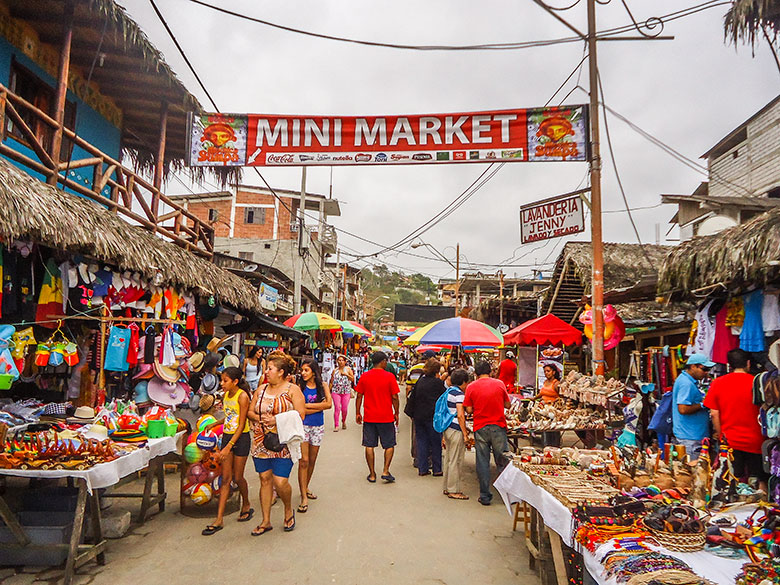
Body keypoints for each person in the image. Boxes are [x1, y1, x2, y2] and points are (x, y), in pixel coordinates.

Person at [247, 352, 306, 536]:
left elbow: (300, 414)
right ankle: (266, 520)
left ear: (281, 372)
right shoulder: (261, 389)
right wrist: (260, 419)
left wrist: (277, 421)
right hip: (260, 441)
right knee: (264, 480)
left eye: (270, 368)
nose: (266, 371)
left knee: (280, 482)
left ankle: (288, 509)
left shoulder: (292, 390)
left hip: (283, 442)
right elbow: (250, 411)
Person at [703, 348, 767, 489]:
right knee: (759, 480)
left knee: (731, 480)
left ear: (730, 365)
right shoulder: (756, 383)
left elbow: (714, 413)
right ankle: (764, 507)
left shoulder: (718, 383)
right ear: (748, 363)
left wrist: (721, 435)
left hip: (730, 440)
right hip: (756, 440)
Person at [201, 366, 253, 536]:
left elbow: (241, 423)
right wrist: (215, 424)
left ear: (235, 382)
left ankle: (246, 504)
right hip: (228, 436)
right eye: (221, 380)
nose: (222, 384)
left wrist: (228, 446)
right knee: (226, 479)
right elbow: (230, 416)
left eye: (225, 381)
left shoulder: (243, 396)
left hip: (241, 438)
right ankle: (219, 519)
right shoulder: (226, 396)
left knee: (238, 478)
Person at [464, 360, 510, 505]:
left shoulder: (471, 386)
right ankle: (508, 495)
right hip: (498, 425)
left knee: (482, 461)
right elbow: (507, 404)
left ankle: (485, 495)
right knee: (502, 460)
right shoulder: (499, 384)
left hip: (480, 426)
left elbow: (469, 409)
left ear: (476, 374)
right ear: (490, 372)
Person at [356, 351, 400, 483]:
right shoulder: (390, 377)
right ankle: (385, 470)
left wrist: (358, 412)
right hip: (386, 416)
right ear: (382, 362)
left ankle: (372, 474)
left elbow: (359, 395)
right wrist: (396, 412)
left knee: (369, 445)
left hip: (369, 416)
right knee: (389, 444)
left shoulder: (365, 376)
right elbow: (395, 397)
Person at [297, 357, 332, 513]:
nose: (303, 373)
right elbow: (298, 408)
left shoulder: (323, 386)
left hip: (317, 426)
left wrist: (307, 406)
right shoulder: (299, 387)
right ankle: (304, 496)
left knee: (312, 460)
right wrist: (319, 406)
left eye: (306, 370)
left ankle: (305, 487)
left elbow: (329, 404)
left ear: (313, 372)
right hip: (302, 425)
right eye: (302, 370)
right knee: (303, 461)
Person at [672, 353, 714, 461]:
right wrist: (703, 404)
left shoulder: (687, 381)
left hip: (692, 435)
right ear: (693, 366)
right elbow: (683, 409)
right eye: (704, 369)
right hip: (690, 437)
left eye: (708, 369)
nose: (706, 372)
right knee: (692, 471)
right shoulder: (686, 384)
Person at [413, 358, 446, 477]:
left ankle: (423, 468)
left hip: (419, 416)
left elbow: (413, 398)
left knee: (421, 442)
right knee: (435, 443)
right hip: (433, 417)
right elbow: (443, 398)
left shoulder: (420, 381)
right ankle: (437, 469)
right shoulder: (438, 383)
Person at [442, 368, 471, 500]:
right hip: (456, 428)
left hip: (448, 428)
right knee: (456, 460)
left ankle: (447, 487)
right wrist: (465, 434)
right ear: (463, 382)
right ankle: (454, 489)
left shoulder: (448, 392)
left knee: (449, 458)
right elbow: (460, 415)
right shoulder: (459, 394)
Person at [330, 355, 354, 432]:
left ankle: (343, 421)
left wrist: (346, 375)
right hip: (336, 392)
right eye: (339, 360)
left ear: (345, 362)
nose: (340, 362)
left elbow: (352, 379)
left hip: (346, 392)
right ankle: (336, 425)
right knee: (337, 408)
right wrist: (327, 392)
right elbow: (331, 382)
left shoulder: (348, 369)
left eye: (342, 360)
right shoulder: (335, 371)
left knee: (344, 409)